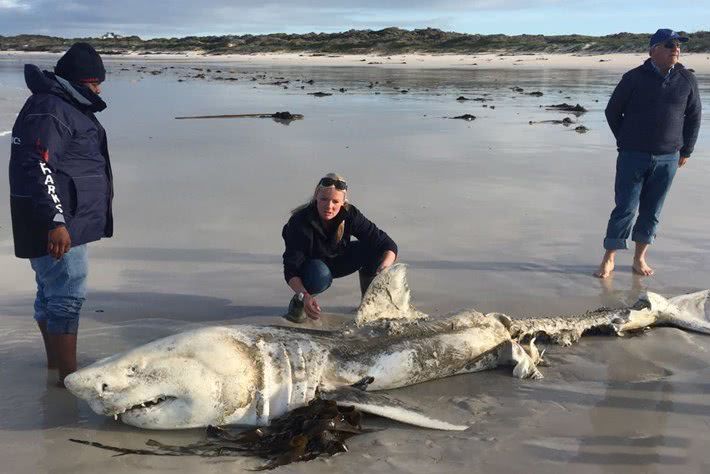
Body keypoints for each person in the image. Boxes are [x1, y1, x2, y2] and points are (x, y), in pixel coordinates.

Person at [8, 43, 114, 386]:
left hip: (62, 217)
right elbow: (38, 166)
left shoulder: (62, 104)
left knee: (50, 293)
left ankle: (56, 366)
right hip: (57, 221)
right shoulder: (52, 108)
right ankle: (69, 377)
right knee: (67, 296)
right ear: (78, 80)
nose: (98, 89)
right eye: (94, 82)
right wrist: (56, 221)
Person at [594, 29, 701, 279]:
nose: (676, 48)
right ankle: (609, 257)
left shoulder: (687, 79)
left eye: (678, 44)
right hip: (633, 155)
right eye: (669, 44)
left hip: (669, 158)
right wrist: (626, 140)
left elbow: (694, 117)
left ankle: (639, 257)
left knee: (652, 210)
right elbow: (612, 112)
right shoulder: (633, 78)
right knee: (626, 207)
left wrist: (686, 150)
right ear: (653, 50)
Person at [281, 173, 398, 322]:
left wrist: (384, 268)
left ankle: (368, 304)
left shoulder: (350, 214)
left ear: (343, 202)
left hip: (338, 259)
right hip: (313, 270)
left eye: (335, 201)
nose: (329, 206)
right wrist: (304, 296)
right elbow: (291, 270)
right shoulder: (299, 222)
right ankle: (299, 304)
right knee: (319, 274)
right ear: (316, 197)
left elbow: (387, 244)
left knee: (375, 250)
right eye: (324, 199)